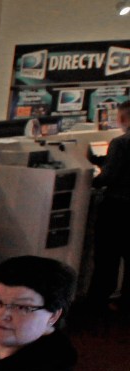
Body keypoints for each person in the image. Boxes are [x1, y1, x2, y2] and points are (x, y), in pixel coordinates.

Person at [86, 99, 130, 316]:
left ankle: (96, 304)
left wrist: (89, 182)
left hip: (117, 208)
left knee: (107, 257)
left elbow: (109, 176)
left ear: (122, 118)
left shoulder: (121, 143)